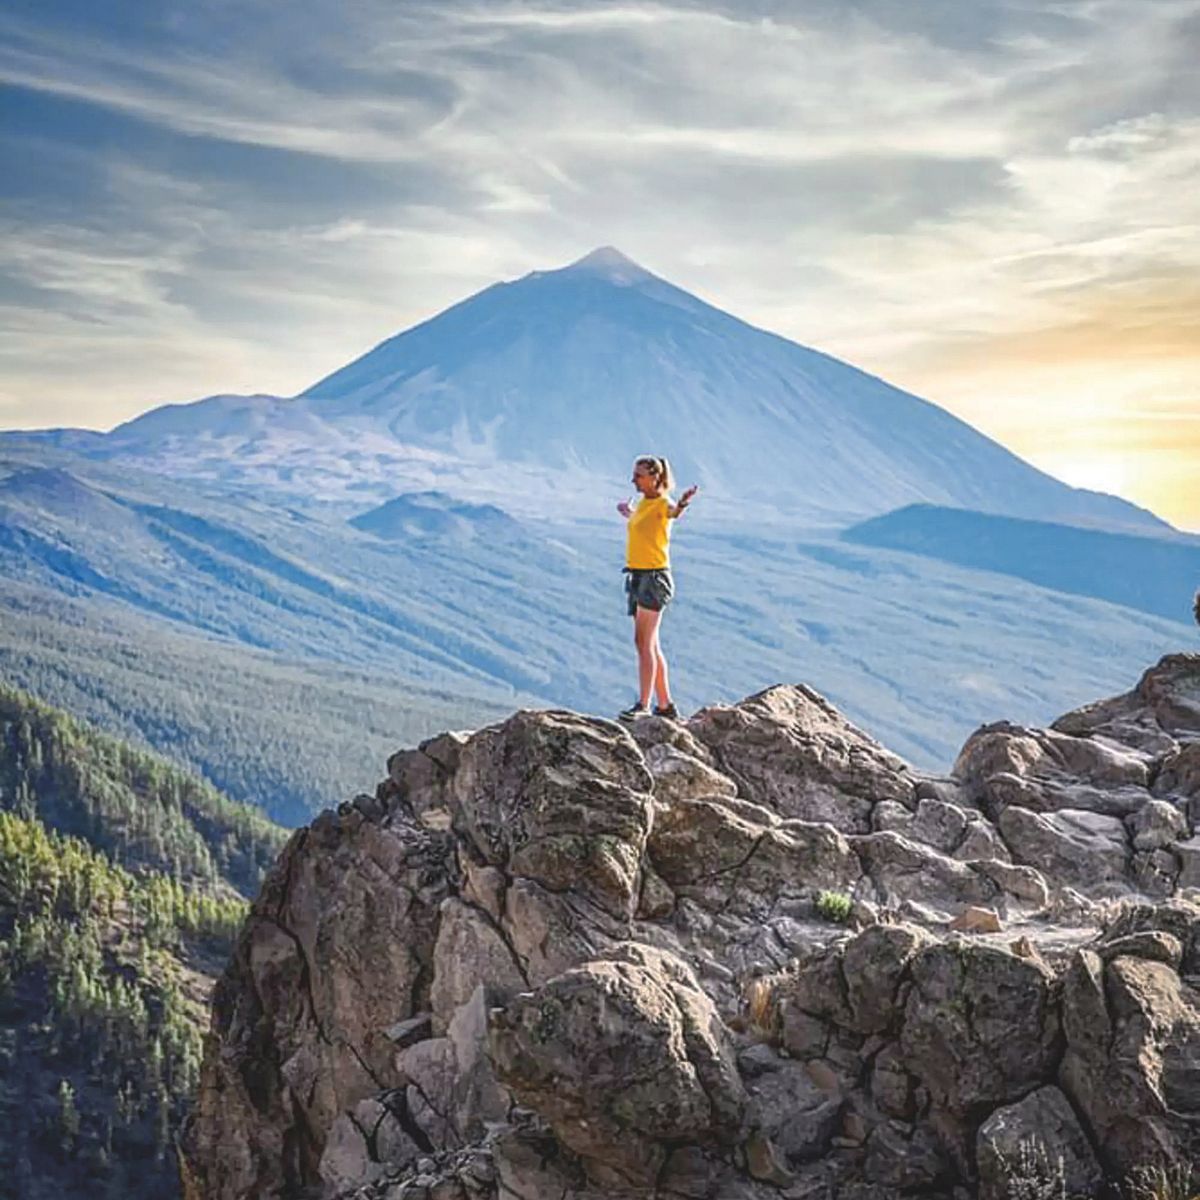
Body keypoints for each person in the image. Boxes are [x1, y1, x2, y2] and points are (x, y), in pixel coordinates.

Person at [615, 455, 699, 722]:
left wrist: (683, 502)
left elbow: (673, 512)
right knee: (650, 643)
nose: (634, 480)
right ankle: (664, 705)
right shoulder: (644, 504)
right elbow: (644, 523)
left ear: (655, 477)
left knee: (643, 642)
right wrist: (628, 513)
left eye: (639, 476)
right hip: (638, 576)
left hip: (654, 578)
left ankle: (643, 704)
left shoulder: (663, 503)